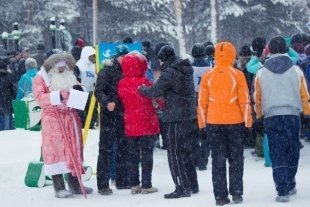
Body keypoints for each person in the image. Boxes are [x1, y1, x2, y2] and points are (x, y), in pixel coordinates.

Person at [253, 36, 310, 203]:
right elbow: (305, 94)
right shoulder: (296, 70)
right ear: (286, 48)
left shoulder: (261, 72)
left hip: (271, 116)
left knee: (277, 152)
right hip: (292, 115)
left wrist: (258, 115)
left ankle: (282, 188)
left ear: (269, 50)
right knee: (292, 149)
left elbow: (258, 97)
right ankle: (290, 181)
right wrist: (307, 112)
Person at [139, 45, 198, 199]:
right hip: (190, 115)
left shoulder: (169, 72)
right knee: (186, 151)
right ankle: (192, 184)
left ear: (163, 58)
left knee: (174, 153)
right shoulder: (185, 68)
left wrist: (142, 89)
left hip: (176, 117)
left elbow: (154, 91)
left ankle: (181, 187)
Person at [198, 41, 252, 206]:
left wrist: (202, 124)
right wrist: (248, 122)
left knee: (218, 160)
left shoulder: (208, 75)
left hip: (214, 123)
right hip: (235, 122)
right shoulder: (238, 75)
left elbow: (201, 103)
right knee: (236, 159)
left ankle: (220, 196)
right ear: (232, 55)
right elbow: (245, 102)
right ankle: (236, 192)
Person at [32, 52, 93, 198]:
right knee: (56, 153)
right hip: (53, 120)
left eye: (63, 67)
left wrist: (80, 91)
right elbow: (39, 98)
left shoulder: (69, 75)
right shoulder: (41, 78)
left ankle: (75, 184)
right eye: (58, 67)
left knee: (74, 151)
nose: (61, 70)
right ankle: (59, 187)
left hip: (70, 118)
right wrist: (56, 96)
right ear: (52, 67)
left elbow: (78, 88)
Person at [118, 52, 159, 194]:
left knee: (132, 155)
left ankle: (134, 184)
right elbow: (157, 100)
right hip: (146, 122)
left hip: (130, 122)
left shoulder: (122, 83)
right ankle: (147, 184)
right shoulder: (145, 82)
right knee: (147, 154)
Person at [95, 44, 130, 195]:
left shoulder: (128, 72)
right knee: (106, 149)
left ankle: (122, 181)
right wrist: (106, 102)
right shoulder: (106, 71)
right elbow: (98, 91)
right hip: (109, 115)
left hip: (122, 114)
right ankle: (103, 184)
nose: (125, 59)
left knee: (123, 148)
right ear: (116, 58)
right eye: (123, 57)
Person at [191, 43, 212, 171]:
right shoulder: (210, 67)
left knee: (193, 132)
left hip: (193, 100)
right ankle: (204, 159)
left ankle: (196, 157)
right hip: (207, 100)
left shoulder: (190, 68)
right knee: (205, 132)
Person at [75, 46, 97, 128]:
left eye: (93, 56)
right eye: (91, 56)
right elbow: (74, 79)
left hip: (90, 92)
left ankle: (91, 124)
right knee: (81, 112)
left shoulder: (93, 66)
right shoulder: (78, 65)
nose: (92, 58)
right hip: (80, 92)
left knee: (91, 111)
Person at [0, 58, 16, 130]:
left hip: (3, 99)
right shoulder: (9, 76)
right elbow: (14, 88)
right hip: (7, 100)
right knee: (8, 115)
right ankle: (8, 130)